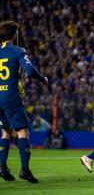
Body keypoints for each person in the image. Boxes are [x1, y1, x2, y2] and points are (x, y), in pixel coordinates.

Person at [0, 21, 48, 183]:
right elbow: (29, 70)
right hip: (10, 97)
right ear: (15, 35)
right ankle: (25, 170)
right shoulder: (17, 51)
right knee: (22, 132)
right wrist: (43, 79)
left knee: (5, 132)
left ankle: (2, 167)